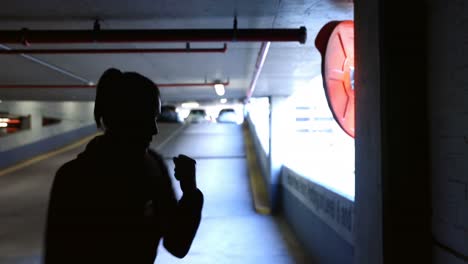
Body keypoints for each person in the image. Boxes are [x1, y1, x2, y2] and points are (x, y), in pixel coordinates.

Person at [44, 68, 204, 264]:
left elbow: (176, 244)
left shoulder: (153, 166)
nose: (154, 130)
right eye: (147, 119)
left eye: (155, 118)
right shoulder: (75, 179)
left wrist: (190, 193)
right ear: (121, 119)